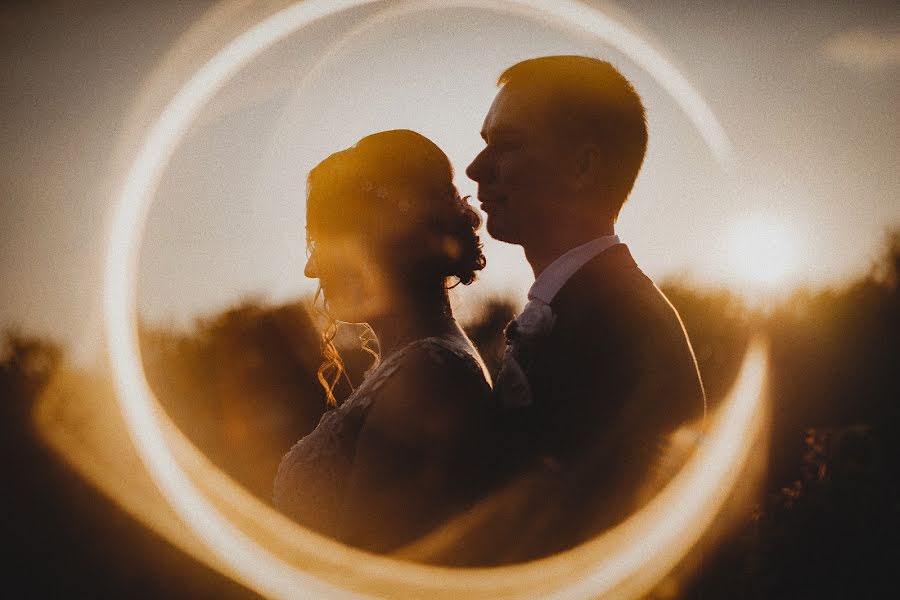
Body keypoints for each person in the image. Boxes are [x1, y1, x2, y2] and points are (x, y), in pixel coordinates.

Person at [463, 55, 707, 563]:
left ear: (582, 167)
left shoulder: (626, 327)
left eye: (507, 144)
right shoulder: (591, 309)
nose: (475, 168)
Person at [273, 129, 494, 558]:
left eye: (323, 243)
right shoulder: (418, 363)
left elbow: (373, 566)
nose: (310, 269)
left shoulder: (426, 375)